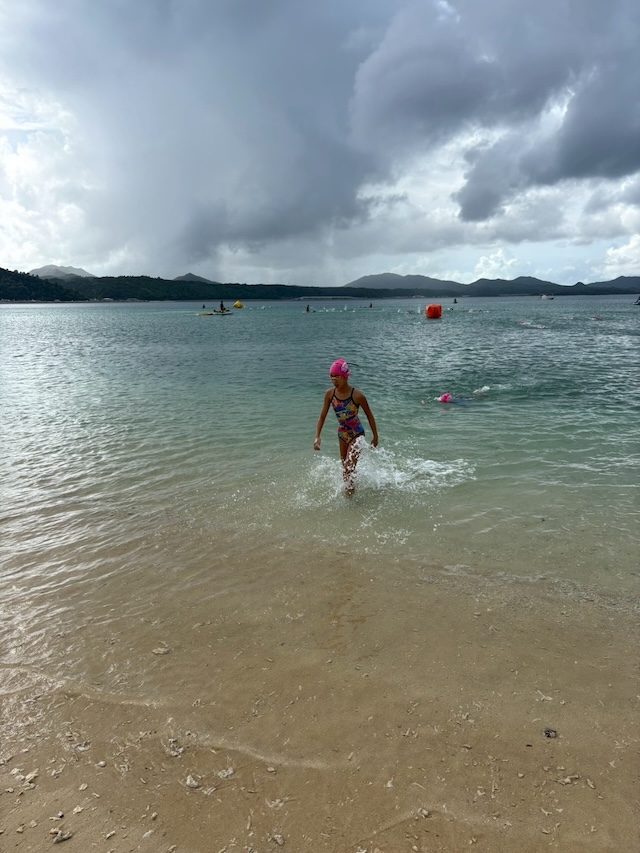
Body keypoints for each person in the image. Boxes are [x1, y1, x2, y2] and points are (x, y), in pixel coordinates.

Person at [314, 359, 378, 495]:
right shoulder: (330, 394)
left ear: (345, 377)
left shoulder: (357, 396)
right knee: (346, 469)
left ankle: (351, 499)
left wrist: (375, 436)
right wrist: (317, 436)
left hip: (357, 434)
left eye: (336, 376)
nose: (333, 379)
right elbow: (322, 416)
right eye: (331, 376)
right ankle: (351, 496)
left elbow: (370, 416)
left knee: (348, 469)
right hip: (342, 434)